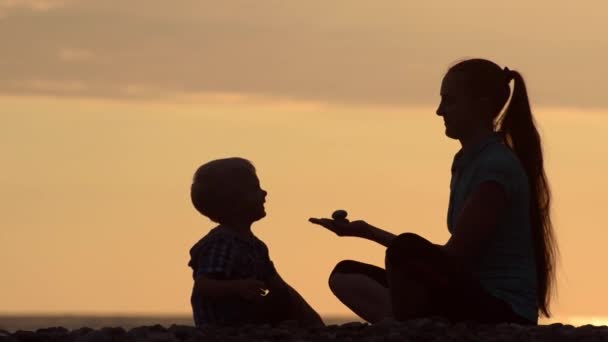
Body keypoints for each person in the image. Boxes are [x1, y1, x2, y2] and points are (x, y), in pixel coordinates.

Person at [309, 58, 558, 325]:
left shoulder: (496, 166)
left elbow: (454, 257)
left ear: (481, 105)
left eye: (450, 101)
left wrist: (400, 251)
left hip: (500, 309)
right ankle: (405, 323)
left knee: (406, 249)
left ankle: (409, 326)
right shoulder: (467, 162)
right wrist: (366, 231)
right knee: (345, 275)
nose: (440, 111)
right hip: (463, 293)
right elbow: (445, 261)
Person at [188, 157, 324, 327]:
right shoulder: (222, 242)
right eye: (255, 189)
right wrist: (238, 287)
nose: (264, 193)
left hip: (250, 316)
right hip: (223, 324)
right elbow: (204, 285)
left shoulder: (256, 246)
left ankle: (317, 328)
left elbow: (278, 285)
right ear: (234, 202)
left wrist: (296, 306)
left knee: (286, 296)